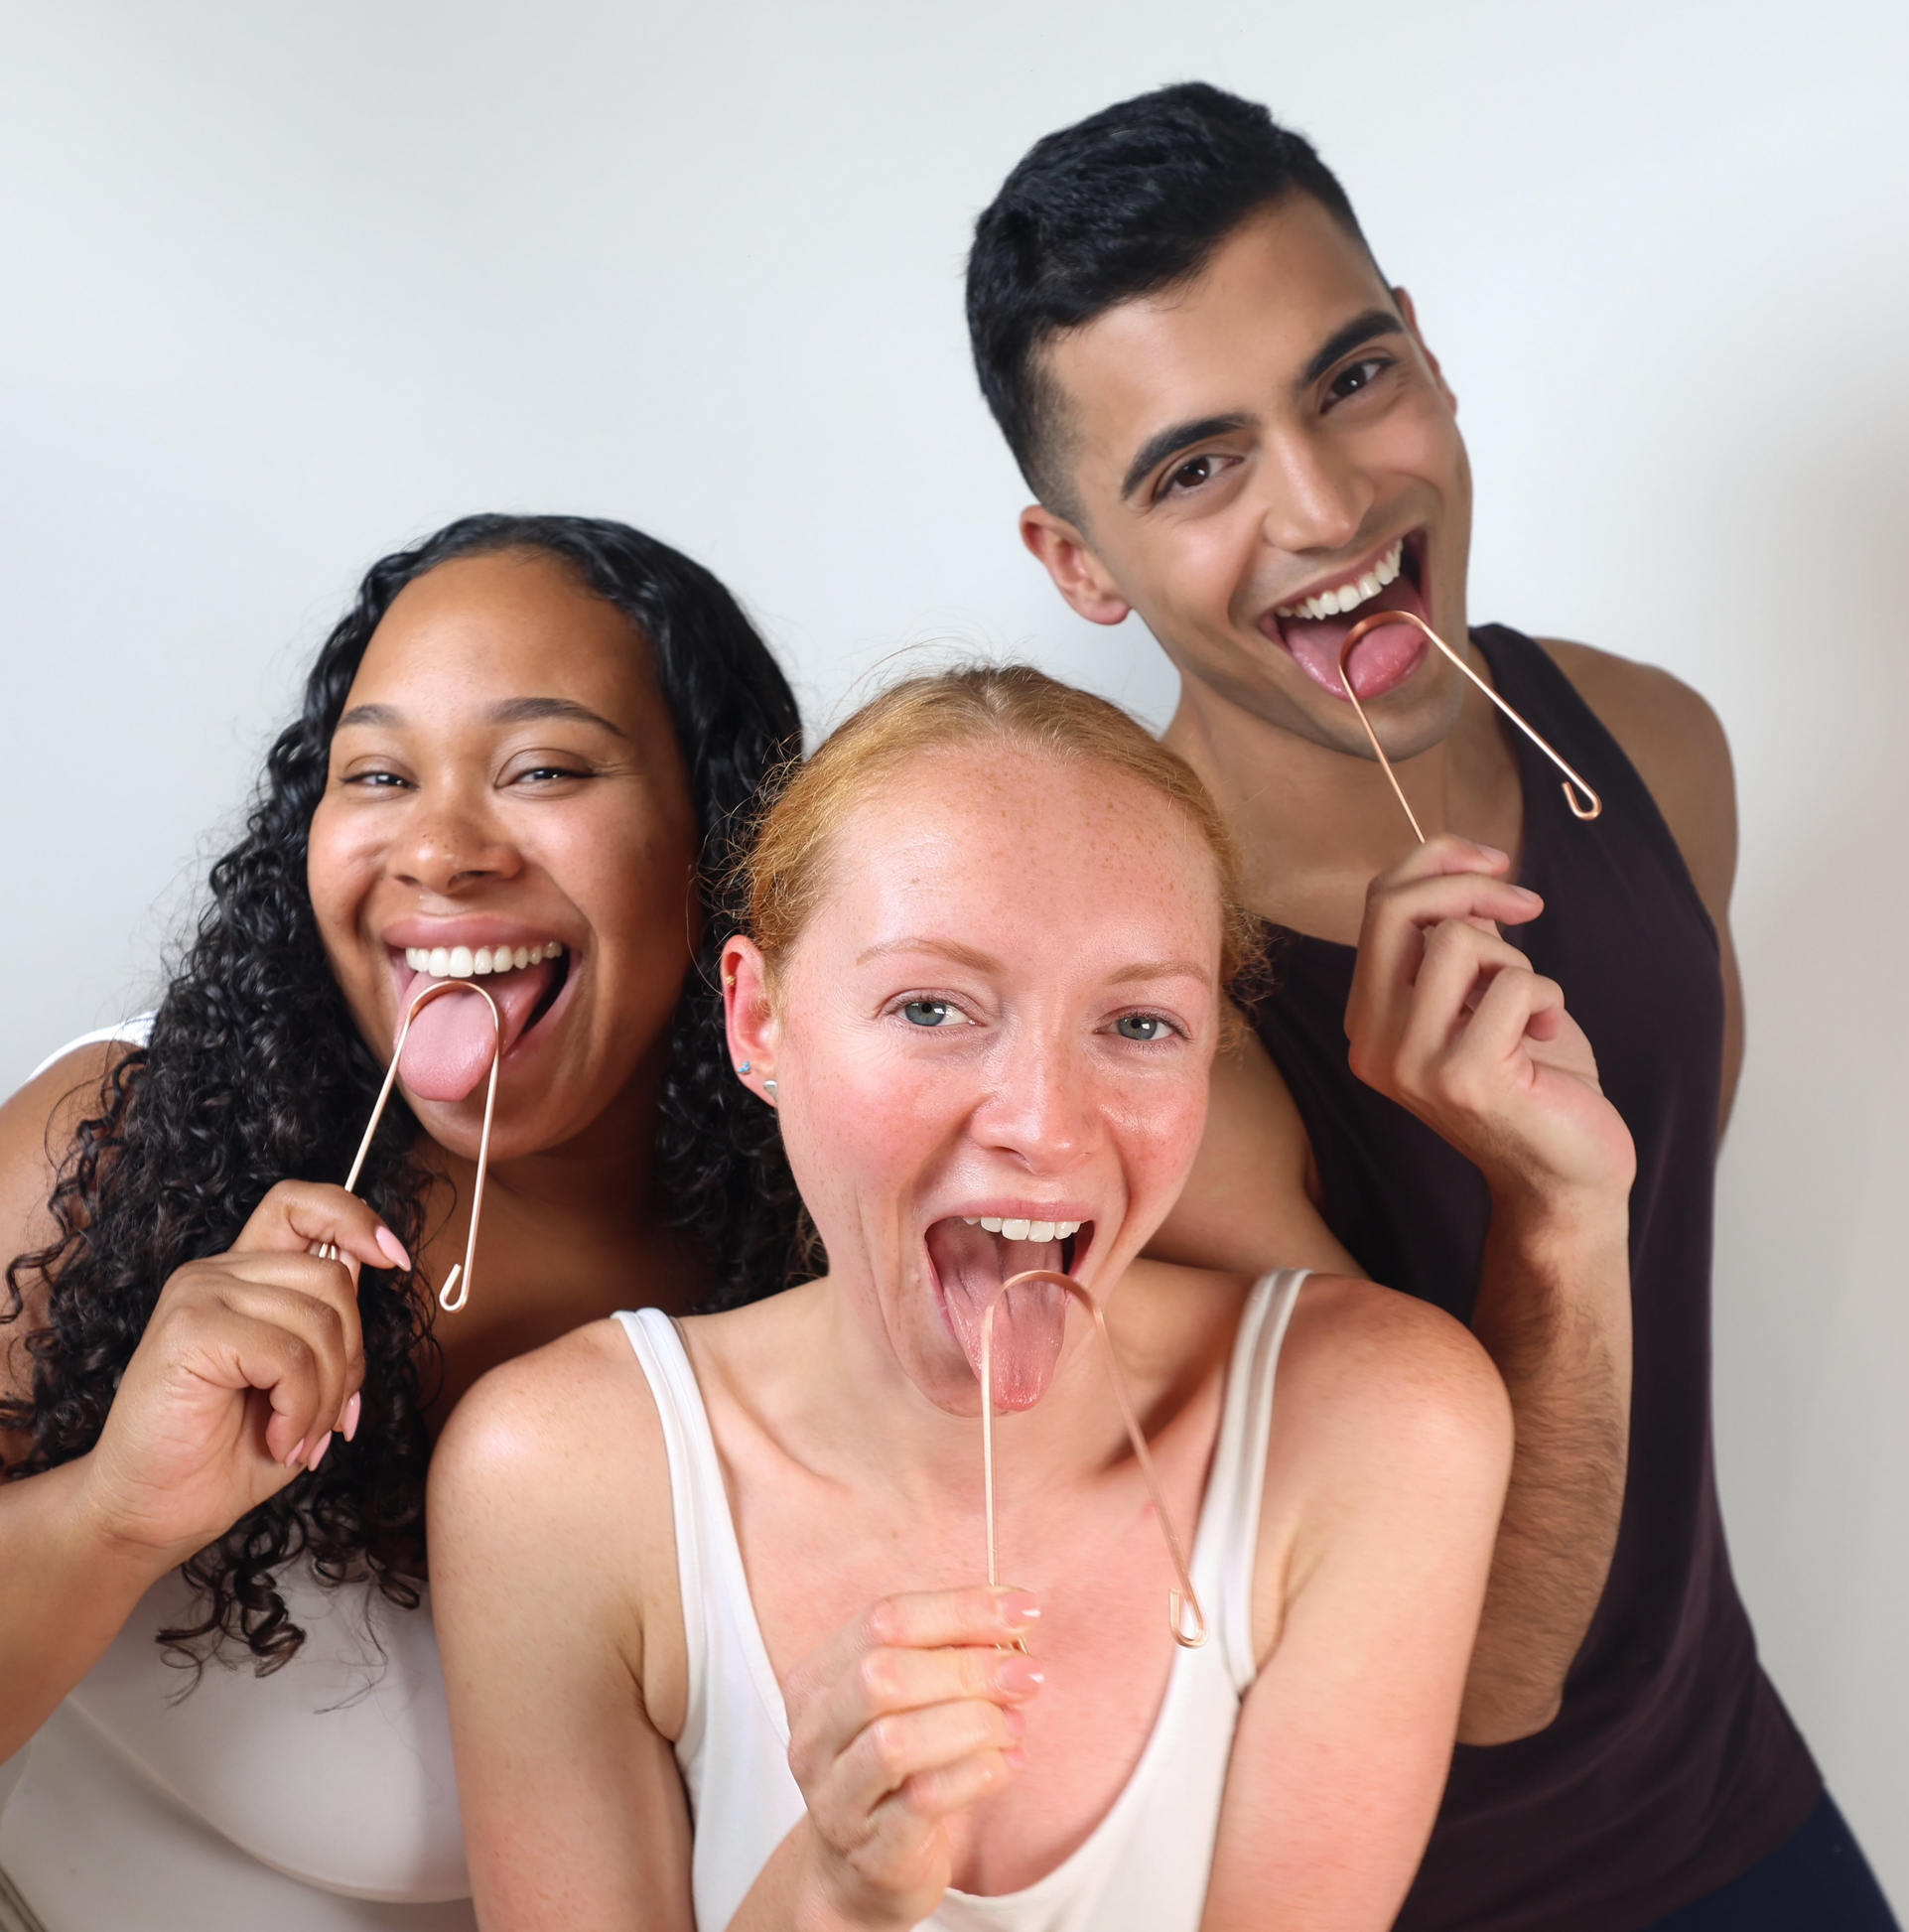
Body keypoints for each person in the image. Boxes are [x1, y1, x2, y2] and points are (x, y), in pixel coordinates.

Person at [964, 83, 1898, 1930]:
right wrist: (1550, 1210)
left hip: (1736, 1792)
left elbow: (1672, 1204)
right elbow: (1485, 1668)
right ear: (1079, 565)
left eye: (1350, 378)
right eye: (1194, 470)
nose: (1324, 506)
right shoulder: (1145, 1023)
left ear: (1427, 351)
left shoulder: (1650, 742)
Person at [428, 664, 1519, 1932]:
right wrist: (825, 1893)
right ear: (759, 1018)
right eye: (931, 1006)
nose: (1043, 1126)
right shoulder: (557, 1473)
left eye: (1138, 1023)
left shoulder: (1380, 1421)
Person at [0, 513, 803, 1930]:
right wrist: (114, 1512)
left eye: (543, 768)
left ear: (721, 838)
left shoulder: (815, 1271)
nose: (438, 848)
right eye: (376, 775)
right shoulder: (117, 1149)